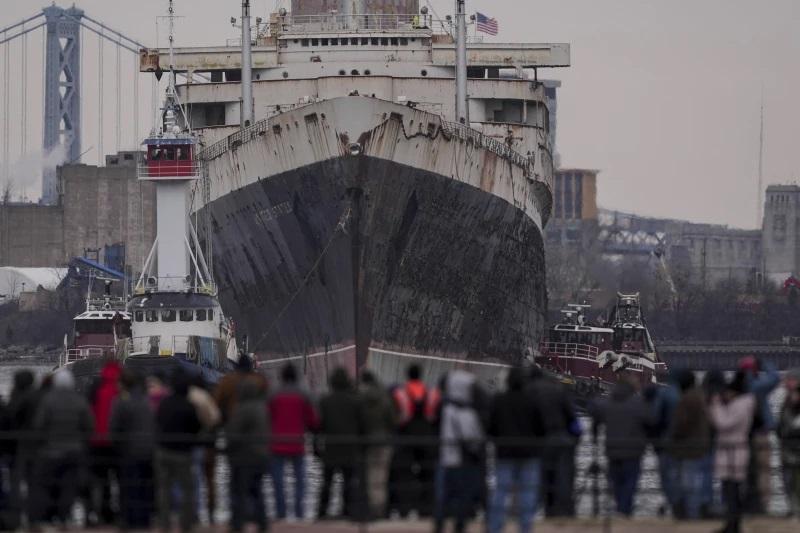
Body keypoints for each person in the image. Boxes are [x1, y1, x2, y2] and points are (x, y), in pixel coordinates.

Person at [31, 369, 94, 529]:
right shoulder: (79, 400)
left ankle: (49, 516)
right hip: (74, 450)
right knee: (69, 486)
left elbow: (39, 425)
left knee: (49, 484)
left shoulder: (48, 400)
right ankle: (65, 516)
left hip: (51, 450)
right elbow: (89, 425)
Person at [487, 367, 545, 533]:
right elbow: (542, 428)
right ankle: (525, 527)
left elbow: (490, 426)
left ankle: (495, 527)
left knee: (500, 491)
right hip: (529, 454)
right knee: (527, 493)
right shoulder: (533, 401)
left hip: (504, 453)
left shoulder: (499, 400)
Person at [592, 376, 653, 516]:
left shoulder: (607, 402)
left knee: (616, 483)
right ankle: (624, 511)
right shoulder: (638, 403)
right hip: (633, 451)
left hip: (612, 450)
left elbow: (594, 410)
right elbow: (651, 420)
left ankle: (620, 507)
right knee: (630, 483)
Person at [434, 370, 485, 533]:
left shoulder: (445, 409)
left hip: (446, 459)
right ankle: (459, 525)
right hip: (463, 461)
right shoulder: (466, 413)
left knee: (444, 497)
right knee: (464, 496)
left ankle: (439, 525)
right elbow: (473, 439)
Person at [268, 363, 319, 521]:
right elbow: (313, 420)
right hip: (297, 444)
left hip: (277, 444)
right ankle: (299, 513)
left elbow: (267, 417)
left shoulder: (273, 394)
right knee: (300, 483)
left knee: (278, 482)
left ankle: (280, 513)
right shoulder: (303, 394)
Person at [527, 366, 579, 516]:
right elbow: (573, 419)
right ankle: (561, 511)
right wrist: (575, 438)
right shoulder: (558, 391)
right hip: (560, 439)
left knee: (539, 479)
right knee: (561, 478)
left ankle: (533, 513)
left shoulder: (527, 391)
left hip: (536, 442)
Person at [155, 371, 202, 532]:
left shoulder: (165, 403)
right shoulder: (189, 406)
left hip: (164, 451)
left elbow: (157, 422)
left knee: (164, 490)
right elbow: (197, 428)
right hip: (183, 453)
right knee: (188, 490)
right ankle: (186, 523)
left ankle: (164, 523)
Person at [710, 370, 756, 533]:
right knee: (731, 492)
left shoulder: (740, 406)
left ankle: (733, 525)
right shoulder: (743, 404)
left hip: (733, 453)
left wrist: (716, 406)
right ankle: (732, 524)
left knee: (732, 492)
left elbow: (724, 423)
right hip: (732, 452)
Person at [109, 369, 156, 530]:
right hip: (148, 449)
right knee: (145, 486)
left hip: (130, 450)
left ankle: (129, 520)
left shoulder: (121, 401)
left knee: (129, 487)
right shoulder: (145, 399)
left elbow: (114, 428)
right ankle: (144, 519)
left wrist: (116, 446)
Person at [391, 364, 439, 517]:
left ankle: (404, 509)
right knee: (427, 473)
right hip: (427, 438)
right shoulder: (431, 393)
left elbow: (399, 418)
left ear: (407, 375)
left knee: (404, 474)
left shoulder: (400, 392)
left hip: (407, 439)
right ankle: (426, 509)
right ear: (420, 375)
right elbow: (433, 416)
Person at [317, 367, 365, 520]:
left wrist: (316, 449)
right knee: (349, 483)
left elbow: (319, 427)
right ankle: (348, 511)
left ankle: (322, 511)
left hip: (330, 449)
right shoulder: (356, 402)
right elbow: (362, 426)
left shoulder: (325, 401)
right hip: (350, 449)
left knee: (326, 483)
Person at [226, 375, 270, 533]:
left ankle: (237, 524)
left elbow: (233, 432)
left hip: (245, 457)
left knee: (239, 491)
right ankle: (263, 522)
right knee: (257, 490)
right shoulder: (263, 407)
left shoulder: (243, 408)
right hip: (262, 456)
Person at [737, 355, 779, 513]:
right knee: (763, 471)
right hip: (760, 435)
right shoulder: (757, 386)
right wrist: (764, 363)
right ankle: (763, 505)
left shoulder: (740, 387)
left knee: (745, 471)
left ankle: (747, 503)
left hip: (743, 436)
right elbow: (774, 377)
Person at [668, 370, 712, 519]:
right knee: (696, 482)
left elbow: (682, 424)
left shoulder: (687, 399)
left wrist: (673, 436)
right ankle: (696, 512)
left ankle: (691, 516)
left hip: (688, 448)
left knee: (688, 484)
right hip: (699, 446)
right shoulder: (700, 396)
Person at [87, 359, 123, 526]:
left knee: (99, 481)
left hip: (97, 442)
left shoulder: (96, 388)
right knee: (121, 480)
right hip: (118, 443)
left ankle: (99, 512)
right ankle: (121, 513)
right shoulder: (122, 389)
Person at [359, 370, 397, 519]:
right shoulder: (385, 398)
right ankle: (380, 509)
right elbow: (393, 421)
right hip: (384, 442)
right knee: (381, 477)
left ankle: (368, 509)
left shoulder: (360, 398)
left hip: (367, 443)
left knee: (368, 475)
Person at [3, 369, 38, 529]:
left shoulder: (15, 398)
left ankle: (15, 516)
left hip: (17, 447)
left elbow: (10, 420)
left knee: (15, 483)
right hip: (34, 446)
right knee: (33, 482)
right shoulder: (36, 398)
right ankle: (33, 515)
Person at [778, 378, 800, 518]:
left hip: (797, 452)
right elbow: (780, 428)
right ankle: (793, 509)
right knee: (788, 482)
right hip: (788, 452)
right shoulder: (785, 408)